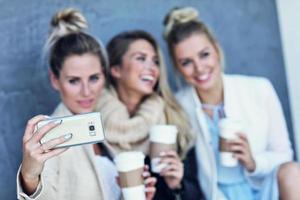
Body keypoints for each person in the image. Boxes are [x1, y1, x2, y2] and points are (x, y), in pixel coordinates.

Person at [17, 8, 156, 200]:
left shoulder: (101, 128)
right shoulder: (50, 136)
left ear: (104, 76)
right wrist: (29, 176)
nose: (86, 91)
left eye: (94, 78)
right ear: (55, 80)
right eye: (74, 80)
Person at [163, 6, 300, 200]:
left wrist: (253, 162)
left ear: (216, 49)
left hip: (265, 188)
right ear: (177, 67)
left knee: (293, 172)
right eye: (186, 62)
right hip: (218, 195)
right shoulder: (178, 106)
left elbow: (283, 155)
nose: (199, 68)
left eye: (204, 54)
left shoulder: (259, 89)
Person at [96, 30, 203, 199]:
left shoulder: (173, 120)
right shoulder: (92, 125)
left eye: (156, 61)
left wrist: (177, 185)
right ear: (115, 69)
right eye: (141, 58)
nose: (152, 68)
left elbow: (197, 195)